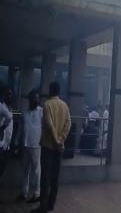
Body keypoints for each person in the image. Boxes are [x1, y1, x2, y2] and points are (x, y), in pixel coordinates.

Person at [31, 82, 71, 213]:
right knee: (55, 177)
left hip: (48, 146)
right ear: (59, 91)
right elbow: (68, 123)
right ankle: (51, 204)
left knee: (45, 177)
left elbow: (49, 124)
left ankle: (43, 206)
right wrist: (61, 139)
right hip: (59, 148)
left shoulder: (47, 104)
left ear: (50, 90)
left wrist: (55, 139)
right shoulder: (65, 105)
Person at [20, 90, 43, 203]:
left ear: (39, 100)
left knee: (36, 171)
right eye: (33, 98)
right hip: (25, 145)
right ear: (29, 99)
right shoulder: (24, 112)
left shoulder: (41, 112)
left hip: (36, 145)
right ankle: (24, 193)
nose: (35, 100)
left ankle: (37, 194)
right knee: (25, 170)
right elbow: (21, 129)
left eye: (37, 98)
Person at [0, 85, 13, 178]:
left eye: (11, 94)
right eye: (8, 94)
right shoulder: (2, 106)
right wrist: (2, 127)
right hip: (2, 143)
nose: (10, 96)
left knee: (2, 167)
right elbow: (9, 117)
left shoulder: (9, 108)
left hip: (6, 144)